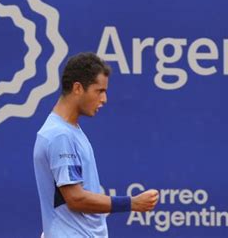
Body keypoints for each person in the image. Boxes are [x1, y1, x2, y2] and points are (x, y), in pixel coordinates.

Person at [33, 52, 159, 237]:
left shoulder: (69, 130)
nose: (104, 99)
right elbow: (75, 198)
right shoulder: (60, 135)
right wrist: (131, 203)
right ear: (77, 88)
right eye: (99, 91)